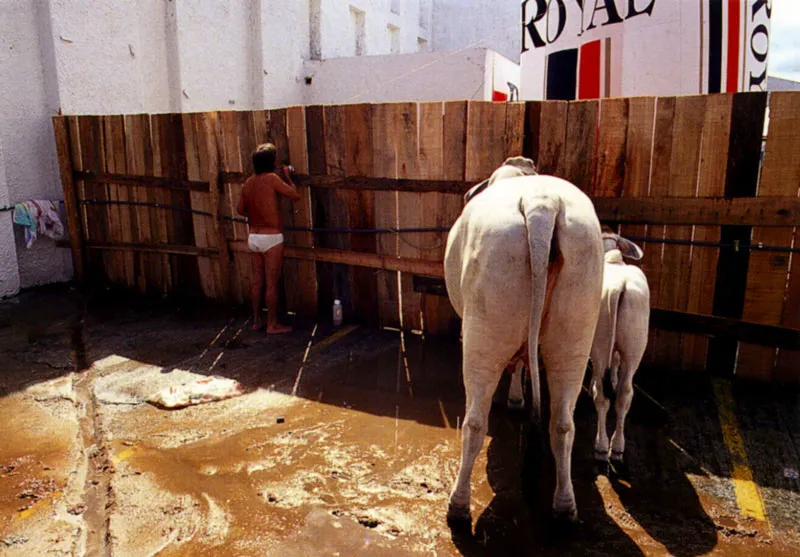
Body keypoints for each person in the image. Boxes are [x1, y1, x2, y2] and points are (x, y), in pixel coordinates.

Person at [237, 143, 300, 334]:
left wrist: (257, 212)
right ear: (271, 162)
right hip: (271, 238)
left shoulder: (248, 182)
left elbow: (240, 210)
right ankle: (272, 324)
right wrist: (288, 175)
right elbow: (294, 195)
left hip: (254, 237)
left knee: (258, 281)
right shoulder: (272, 179)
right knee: (271, 284)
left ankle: (257, 320)